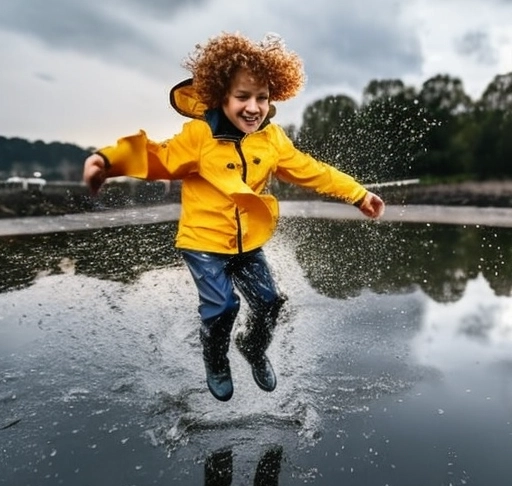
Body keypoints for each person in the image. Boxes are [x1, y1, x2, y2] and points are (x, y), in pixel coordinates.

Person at [83, 32, 385, 402]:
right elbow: (155, 156)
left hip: (247, 244)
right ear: (222, 96)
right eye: (242, 96)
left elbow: (313, 170)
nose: (253, 107)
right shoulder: (199, 136)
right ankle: (215, 357)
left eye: (262, 98)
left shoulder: (272, 140)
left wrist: (358, 194)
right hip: (203, 243)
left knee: (270, 302)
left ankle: (253, 348)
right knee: (224, 305)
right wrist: (105, 161)